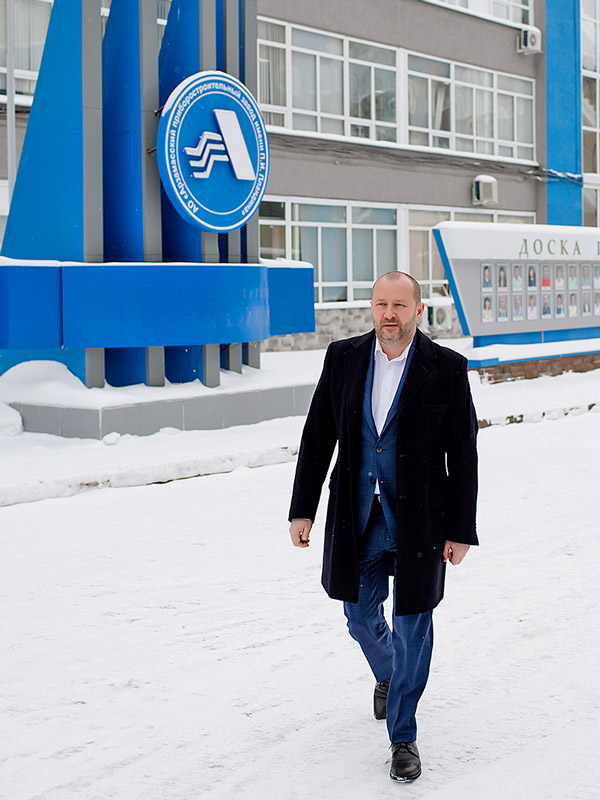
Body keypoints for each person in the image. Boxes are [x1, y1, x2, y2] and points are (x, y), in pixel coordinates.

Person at [288, 272, 478, 784]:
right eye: (380, 304)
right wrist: (302, 509)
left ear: (418, 310)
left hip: (421, 521)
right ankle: (391, 674)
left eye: (399, 305)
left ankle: (403, 735)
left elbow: (463, 454)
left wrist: (461, 529)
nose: (388, 314)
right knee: (357, 614)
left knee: (414, 623)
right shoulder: (343, 357)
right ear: (372, 307)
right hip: (358, 515)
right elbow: (318, 435)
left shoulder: (447, 367)